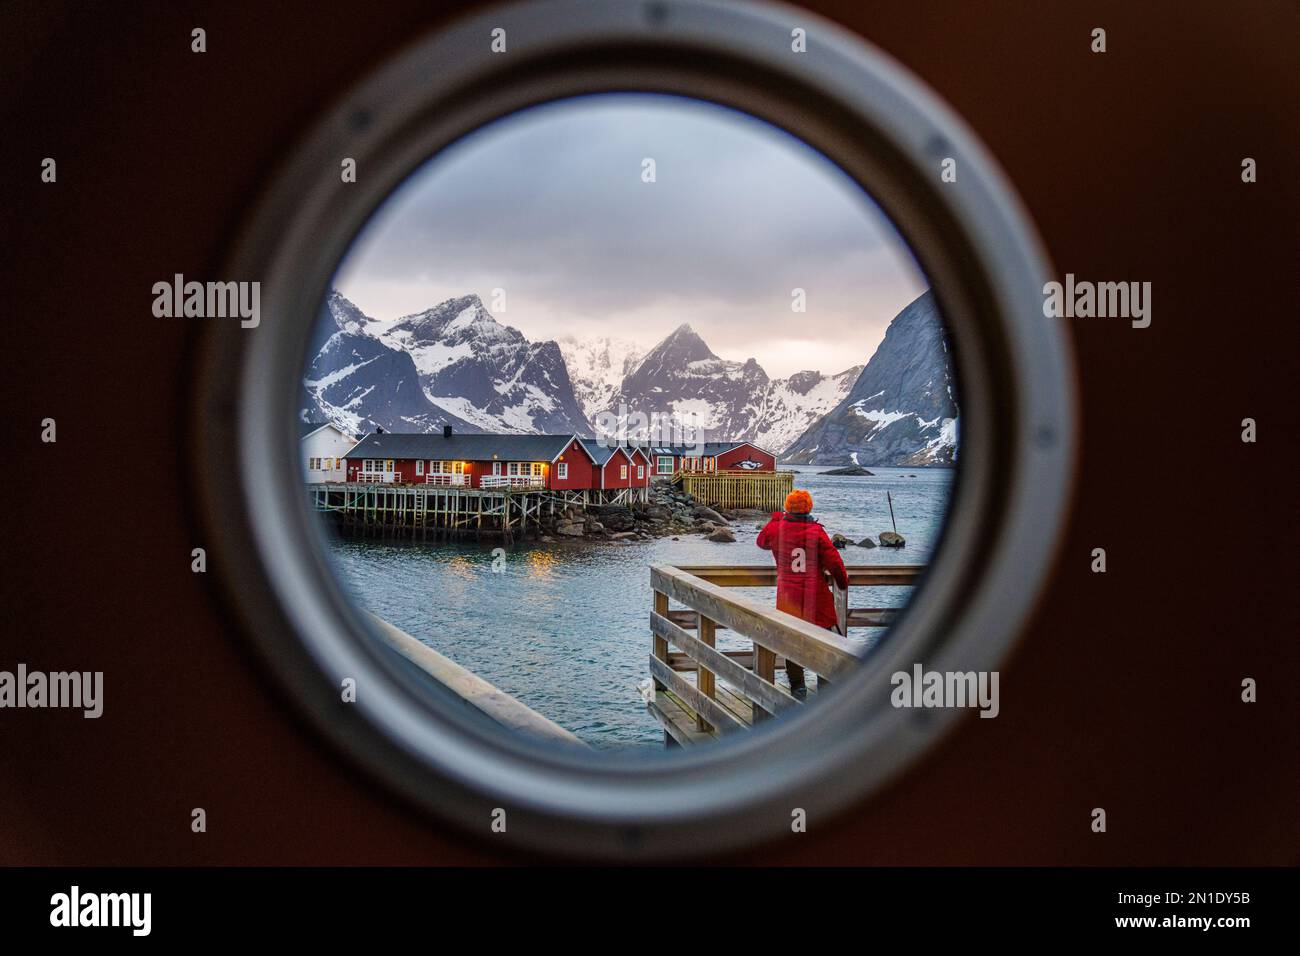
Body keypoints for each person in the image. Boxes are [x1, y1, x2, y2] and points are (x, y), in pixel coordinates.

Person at [756, 489, 849, 699]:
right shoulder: (816, 531)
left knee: (792, 641)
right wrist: (842, 583)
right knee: (823, 640)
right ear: (809, 508)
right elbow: (834, 561)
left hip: (788, 597)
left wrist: (776, 518)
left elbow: (761, 542)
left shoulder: (777, 528)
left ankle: (797, 687)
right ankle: (825, 688)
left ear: (787, 507)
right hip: (815, 596)